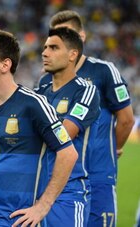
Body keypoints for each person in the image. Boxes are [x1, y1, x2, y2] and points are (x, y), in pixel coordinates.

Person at [0, 28, 78, 227]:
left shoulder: (33, 104)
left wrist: (43, 206)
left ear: (5, 65)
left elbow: (68, 153)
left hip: (18, 220)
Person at [38, 10, 135, 227]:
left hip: (97, 172)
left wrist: (112, 149)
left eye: (68, 34)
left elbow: (127, 119)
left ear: (80, 36)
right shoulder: (46, 80)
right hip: (62, 175)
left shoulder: (104, 71)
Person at [36, 27, 100, 226]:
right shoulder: (39, 93)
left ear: (73, 54)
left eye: (54, 47)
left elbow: (63, 134)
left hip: (68, 193)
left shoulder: (86, 92)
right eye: (45, 47)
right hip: (35, 189)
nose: (45, 52)